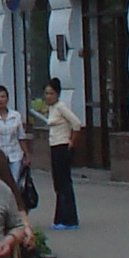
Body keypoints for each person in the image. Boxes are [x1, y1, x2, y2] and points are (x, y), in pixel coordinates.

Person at [41, 77, 83, 229]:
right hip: (54, 146)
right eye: (46, 93)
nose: (48, 96)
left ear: (57, 94)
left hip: (62, 146)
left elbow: (77, 123)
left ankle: (70, 218)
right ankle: (60, 218)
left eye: (51, 93)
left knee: (64, 183)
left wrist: (71, 142)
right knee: (58, 183)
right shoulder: (52, 109)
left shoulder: (61, 107)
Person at [0, 83, 31, 205]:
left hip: (15, 154)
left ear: (7, 98)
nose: (1, 100)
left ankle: (15, 208)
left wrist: (26, 154)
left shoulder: (15, 116)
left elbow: (21, 136)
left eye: (3, 97)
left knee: (14, 183)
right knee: (0, 183)